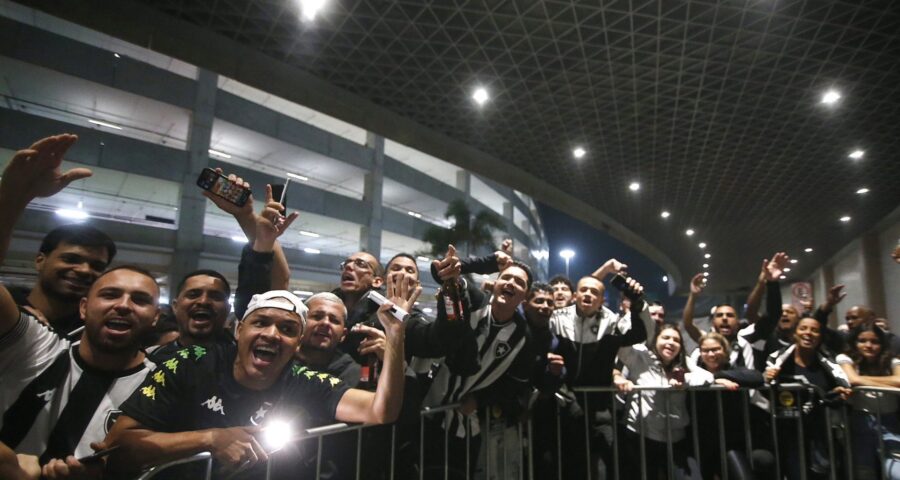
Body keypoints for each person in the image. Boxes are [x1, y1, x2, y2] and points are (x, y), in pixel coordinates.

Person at [101, 281, 413, 478]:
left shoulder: (303, 380)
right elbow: (117, 445)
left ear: (297, 342)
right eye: (261, 323)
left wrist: (395, 335)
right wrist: (211, 439)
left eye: (288, 330)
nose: (272, 335)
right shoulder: (191, 361)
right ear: (239, 330)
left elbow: (380, 411)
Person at [0, 134, 159, 479]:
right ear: (84, 307)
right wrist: (14, 195)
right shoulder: (36, 345)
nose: (124, 305)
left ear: (156, 317)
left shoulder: (163, 383)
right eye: (110, 294)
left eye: (140, 299)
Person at [420, 248, 536, 478]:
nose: (511, 282)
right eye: (506, 277)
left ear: (525, 295)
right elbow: (442, 274)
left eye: (519, 282)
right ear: (496, 283)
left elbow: (514, 383)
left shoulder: (523, 336)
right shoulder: (474, 301)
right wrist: (475, 263)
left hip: (464, 423)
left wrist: (480, 399)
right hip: (426, 410)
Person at [549, 259, 651, 480]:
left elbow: (639, 335)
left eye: (594, 292)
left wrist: (636, 303)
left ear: (602, 300)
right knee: (571, 466)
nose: (588, 294)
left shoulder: (612, 321)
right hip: (566, 406)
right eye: (583, 290)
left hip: (601, 408)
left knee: (609, 464)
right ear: (575, 296)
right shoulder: (556, 318)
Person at [765, 317, 851, 480]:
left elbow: (839, 389)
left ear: (820, 336)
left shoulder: (828, 361)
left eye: (814, 330)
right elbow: (765, 386)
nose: (808, 333)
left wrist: (839, 392)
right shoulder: (777, 359)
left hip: (821, 433)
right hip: (788, 432)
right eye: (803, 328)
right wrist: (767, 378)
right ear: (795, 333)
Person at [614, 324, 702, 479]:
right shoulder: (641, 357)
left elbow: (706, 376)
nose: (670, 342)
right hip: (640, 436)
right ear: (655, 340)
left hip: (676, 438)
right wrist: (617, 376)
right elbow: (620, 350)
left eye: (676, 340)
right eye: (665, 337)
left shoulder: (684, 363)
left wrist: (684, 381)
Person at [683, 252, 787, 371]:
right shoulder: (708, 340)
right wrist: (693, 295)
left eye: (730, 315)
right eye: (720, 315)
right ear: (713, 322)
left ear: (738, 322)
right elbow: (688, 325)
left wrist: (770, 283)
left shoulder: (747, 337)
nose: (725, 318)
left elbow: (772, 315)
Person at [692, 332, 766, 479]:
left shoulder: (734, 370)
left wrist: (719, 376)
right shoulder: (694, 373)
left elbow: (757, 378)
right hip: (700, 442)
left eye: (716, 349)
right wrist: (710, 379)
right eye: (706, 350)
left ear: (725, 350)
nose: (711, 354)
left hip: (731, 441)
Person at [836, 323, 900, 480]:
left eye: (874, 342)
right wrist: (886, 382)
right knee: (864, 472)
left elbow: (899, 380)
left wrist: (862, 380)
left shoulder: (892, 361)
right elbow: (852, 379)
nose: (868, 346)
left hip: (889, 421)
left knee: (896, 472)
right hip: (860, 421)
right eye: (862, 341)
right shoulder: (845, 358)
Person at [147, 270, 233, 362]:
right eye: (193, 295)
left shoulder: (242, 361)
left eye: (216, 297)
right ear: (175, 306)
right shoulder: (152, 360)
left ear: (228, 309)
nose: (203, 301)